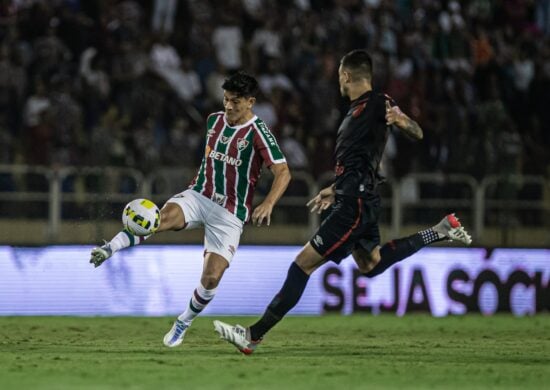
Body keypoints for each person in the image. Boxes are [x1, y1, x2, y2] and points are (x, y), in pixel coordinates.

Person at [213, 49, 472, 354]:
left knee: (301, 267)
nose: (337, 79)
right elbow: (361, 160)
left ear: (346, 76)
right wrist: (335, 188)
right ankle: (440, 230)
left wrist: (403, 121)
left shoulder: (377, 103)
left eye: (339, 75)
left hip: (355, 204)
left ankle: (252, 336)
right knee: (371, 263)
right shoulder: (356, 110)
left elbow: (417, 132)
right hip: (357, 197)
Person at [90, 71, 291, 347]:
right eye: (226, 100)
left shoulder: (259, 133)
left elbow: (283, 172)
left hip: (230, 214)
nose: (229, 106)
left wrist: (268, 203)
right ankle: (108, 248)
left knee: (211, 278)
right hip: (199, 195)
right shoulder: (213, 121)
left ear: (251, 102)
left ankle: (183, 321)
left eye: (235, 101)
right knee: (157, 219)